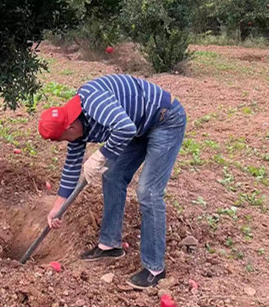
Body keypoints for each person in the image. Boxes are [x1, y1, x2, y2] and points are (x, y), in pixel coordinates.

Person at [38, 74, 186, 289]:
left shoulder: (92, 102)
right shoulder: (74, 125)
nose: (66, 143)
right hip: (138, 126)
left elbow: (125, 128)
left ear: (69, 127)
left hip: (165, 119)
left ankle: (155, 269)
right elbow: (71, 168)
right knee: (113, 175)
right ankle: (110, 245)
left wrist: (100, 155)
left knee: (148, 191)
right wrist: (57, 208)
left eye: (62, 138)